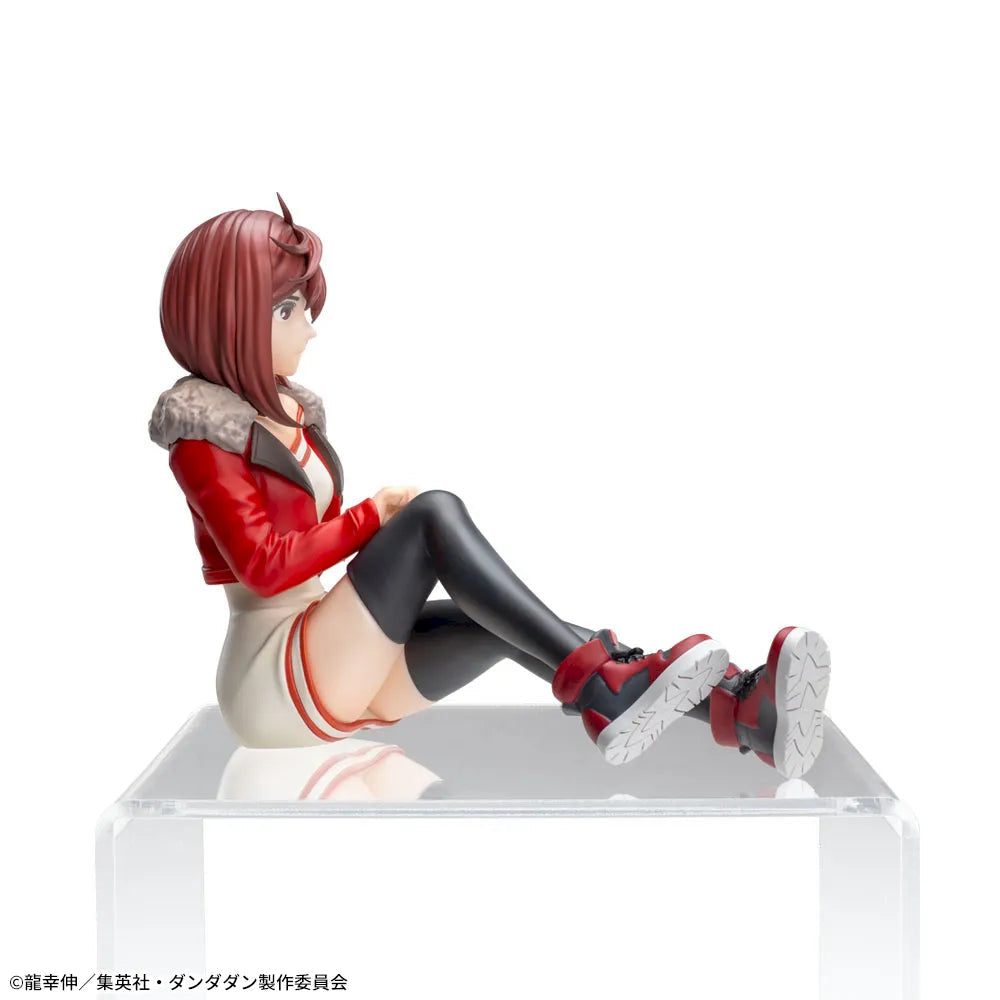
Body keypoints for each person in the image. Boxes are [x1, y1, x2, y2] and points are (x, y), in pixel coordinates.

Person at [150, 195, 831, 778]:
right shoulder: (205, 433)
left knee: (510, 621)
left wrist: (371, 525)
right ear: (232, 319)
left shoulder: (288, 411)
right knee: (432, 515)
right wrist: (374, 517)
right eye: (288, 309)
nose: (310, 327)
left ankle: (742, 713)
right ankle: (605, 686)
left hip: (332, 657)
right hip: (275, 678)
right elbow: (264, 567)